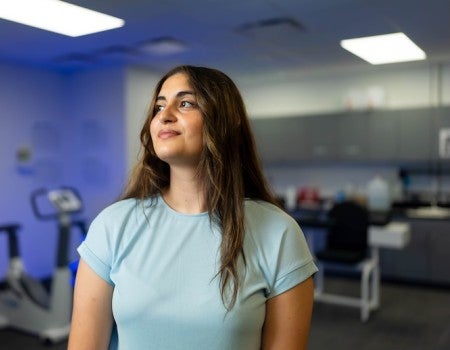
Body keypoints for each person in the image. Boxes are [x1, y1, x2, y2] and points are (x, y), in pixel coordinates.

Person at [68, 65, 318, 350]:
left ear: (227, 121)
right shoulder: (112, 225)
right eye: (159, 106)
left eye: (185, 103)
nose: (165, 114)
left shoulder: (278, 232)